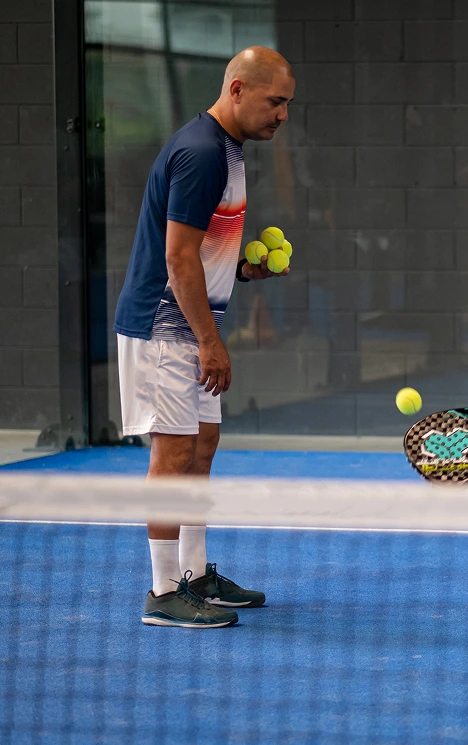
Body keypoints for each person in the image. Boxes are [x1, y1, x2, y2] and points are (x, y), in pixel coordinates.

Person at [113, 47, 295, 628]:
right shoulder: (200, 154)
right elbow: (177, 256)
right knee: (173, 454)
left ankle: (194, 575)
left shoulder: (230, 151)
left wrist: (244, 272)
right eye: (275, 102)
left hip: (191, 326)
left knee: (204, 444)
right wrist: (211, 341)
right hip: (164, 328)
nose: (283, 114)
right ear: (238, 90)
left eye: (287, 103)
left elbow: (205, 252)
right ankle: (163, 592)